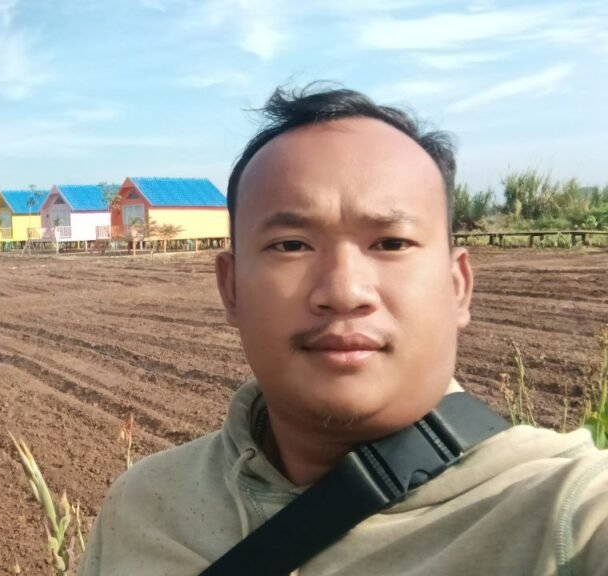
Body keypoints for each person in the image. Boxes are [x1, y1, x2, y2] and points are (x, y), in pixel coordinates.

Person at [78, 84, 608, 576]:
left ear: (458, 286)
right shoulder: (145, 509)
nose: (344, 290)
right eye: (291, 244)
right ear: (231, 289)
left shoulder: (563, 510)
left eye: (392, 243)